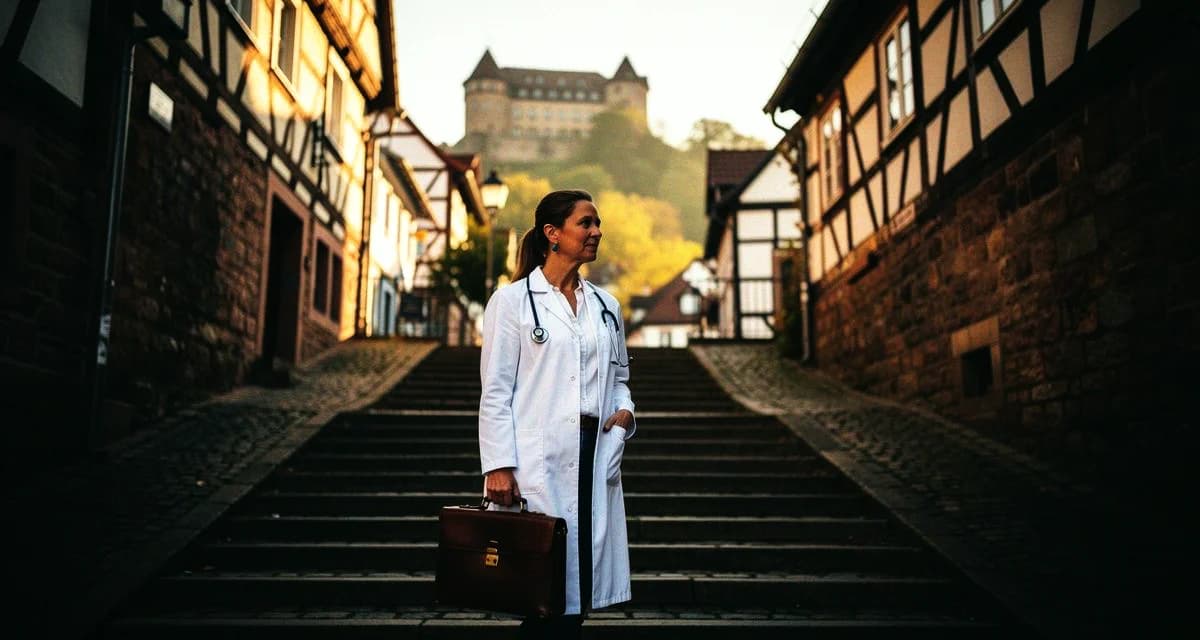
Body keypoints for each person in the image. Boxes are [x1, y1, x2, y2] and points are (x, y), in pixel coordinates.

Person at [478, 189, 636, 638]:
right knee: (540, 590)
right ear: (552, 233)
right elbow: (495, 393)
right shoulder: (511, 302)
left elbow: (621, 380)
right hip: (536, 460)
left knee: (576, 588)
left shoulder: (607, 308)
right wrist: (500, 467)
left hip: (594, 456)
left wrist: (624, 415)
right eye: (585, 223)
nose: (596, 231)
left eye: (597, 223)